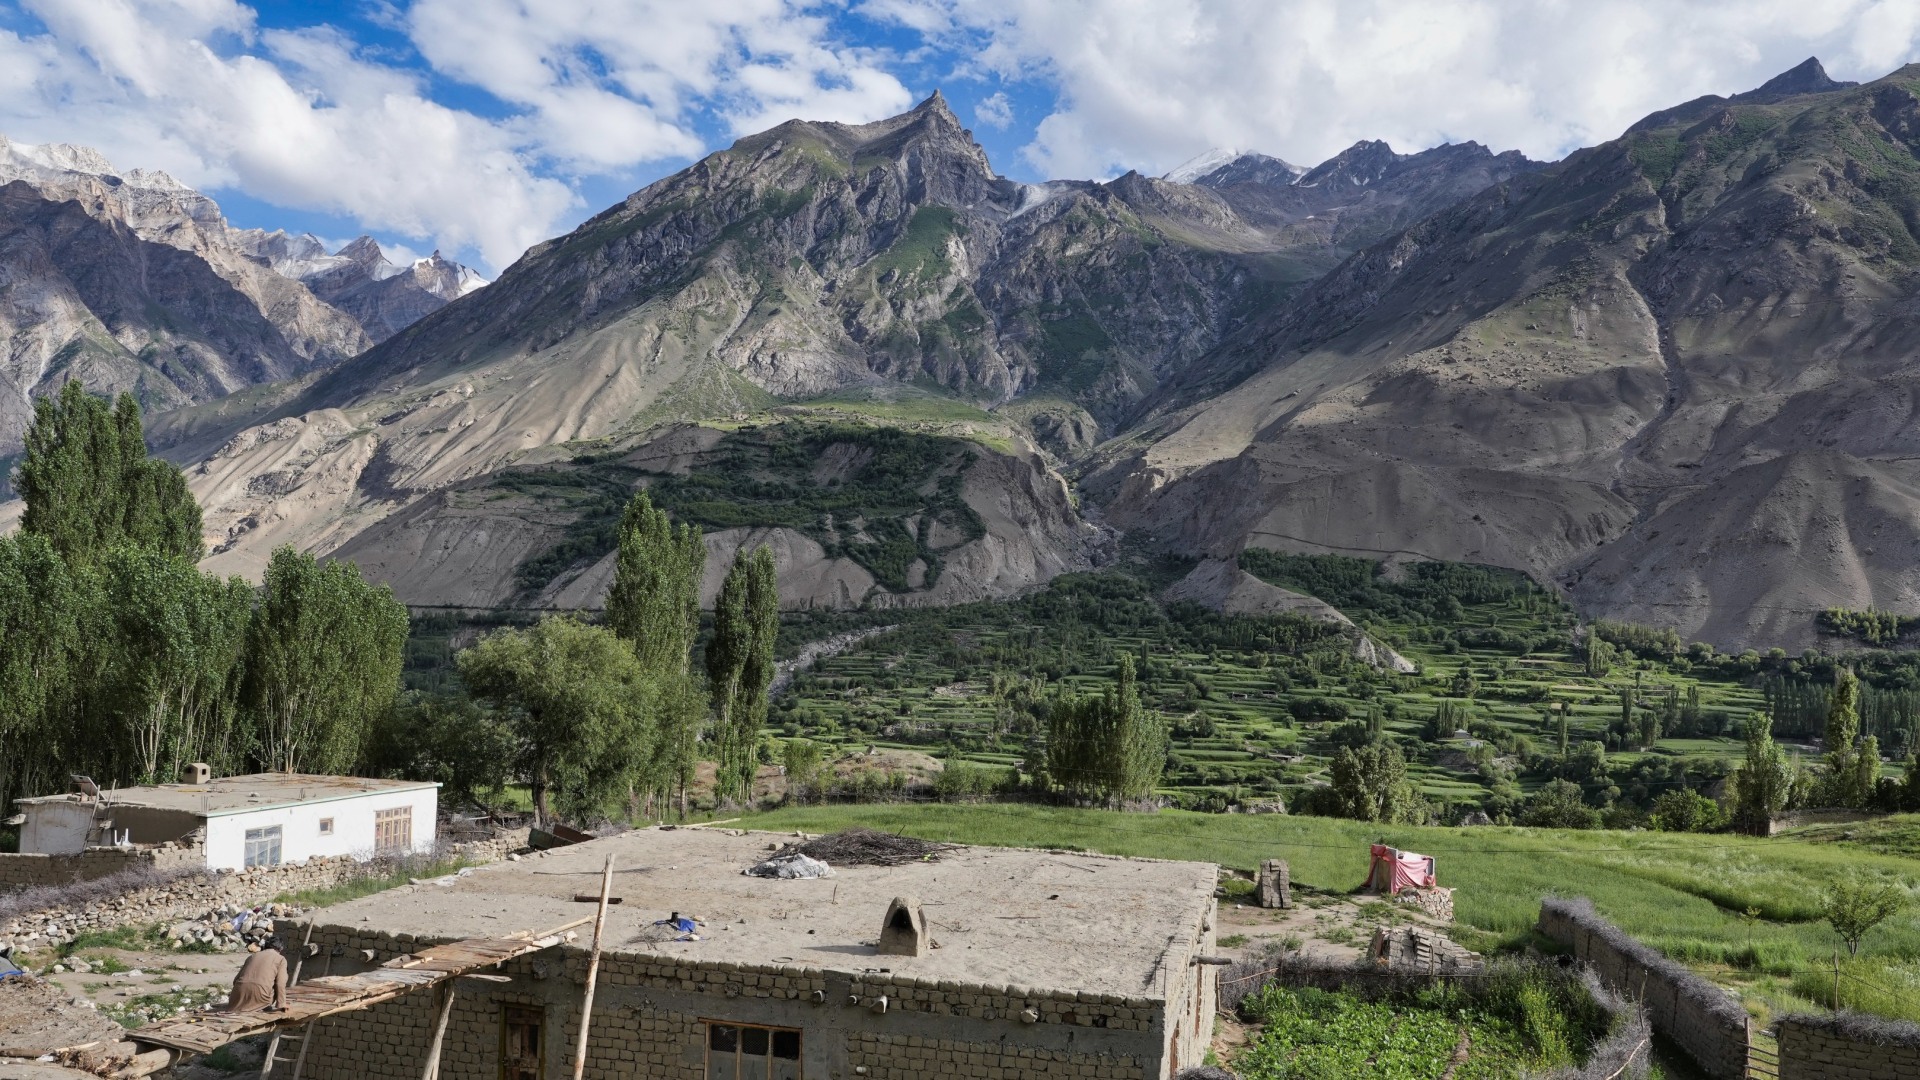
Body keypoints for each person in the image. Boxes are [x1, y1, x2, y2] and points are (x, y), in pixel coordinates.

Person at [226, 938, 288, 1013]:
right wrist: (282, 1004)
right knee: (273, 985)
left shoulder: (252, 956)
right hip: (261, 996)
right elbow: (280, 983)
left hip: (237, 997)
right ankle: (262, 1006)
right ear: (280, 949)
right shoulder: (281, 959)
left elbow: (236, 980)